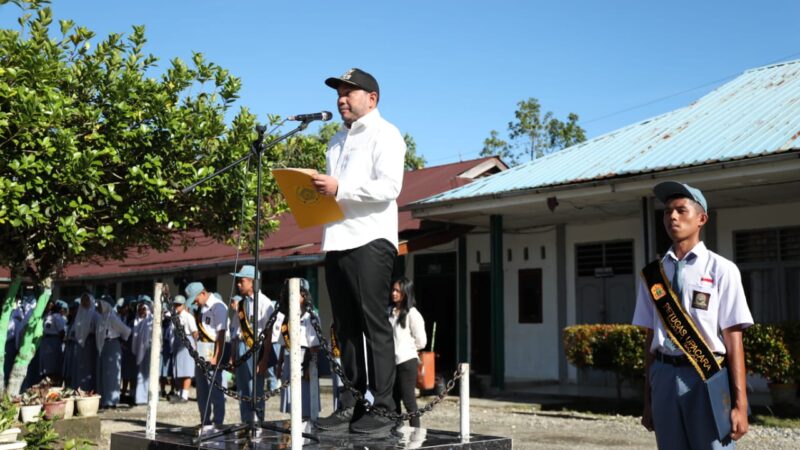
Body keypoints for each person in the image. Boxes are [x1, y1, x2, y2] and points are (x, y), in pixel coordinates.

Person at [312, 67, 406, 433]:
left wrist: (339, 188)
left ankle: (384, 407)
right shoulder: (335, 140)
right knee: (346, 327)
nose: (340, 98)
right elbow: (334, 193)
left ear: (372, 98)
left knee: (373, 324)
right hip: (337, 238)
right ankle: (351, 403)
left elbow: (389, 187)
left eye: (349, 92)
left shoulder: (387, 134)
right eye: (338, 92)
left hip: (370, 238)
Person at [632, 181, 753, 449]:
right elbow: (650, 336)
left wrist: (741, 405)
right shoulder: (653, 275)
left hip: (706, 376)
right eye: (667, 212)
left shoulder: (722, 269)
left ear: (701, 219)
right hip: (663, 375)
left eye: (681, 210)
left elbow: (734, 338)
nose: (672, 216)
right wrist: (648, 401)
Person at [228, 265, 277, 424]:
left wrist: (264, 360)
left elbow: (268, 334)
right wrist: (232, 355)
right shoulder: (241, 304)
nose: (238, 284)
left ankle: (258, 423)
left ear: (252, 282)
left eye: (242, 281)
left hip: (257, 349)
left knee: (255, 389)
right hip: (242, 348)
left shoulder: (265, 303)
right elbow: (236, 332)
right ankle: (246, 423)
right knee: (243, 390)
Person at [277, 278, 320, 420]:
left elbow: (314, 345)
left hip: (305, 358)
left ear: (304, 295)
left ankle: (307, 426)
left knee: (305, 398)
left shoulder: (310, 316)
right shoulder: (287, 316)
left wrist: (310, 367)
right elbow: (283, 344)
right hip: (289, 358)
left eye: (296, 293)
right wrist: (280, 363)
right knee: (291, 400)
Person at [186, 281, 227, 426]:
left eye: (195, 299)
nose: (195, 302)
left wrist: (216, 356)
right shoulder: (201, 308)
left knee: (215, 390)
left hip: (214, 348)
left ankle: (218, 422)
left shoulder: (218, 306)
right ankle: (204, 421)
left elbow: (221, 333)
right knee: (202, 390)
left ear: (202, 293)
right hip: (202, 349)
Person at [388, 277, 427, 427]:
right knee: (393, 399)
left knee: (409, 400)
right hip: (391, 362)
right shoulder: (389, 311)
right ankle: (396, 431)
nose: (394, 293)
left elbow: (421, 341)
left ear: (406, 292)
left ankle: (416, 433)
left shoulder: (412, 313)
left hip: (407, 361)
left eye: (398, 290)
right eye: (393, 290)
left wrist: (408, 348)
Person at [96, 294, 132, 409]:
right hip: (104, 346)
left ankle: (112, 401)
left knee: (112, 374)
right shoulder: (101, 317)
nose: (99, 307)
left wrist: (119, 340)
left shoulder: (112, 317)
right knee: (104, 374)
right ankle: (104, 400)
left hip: (112, 346)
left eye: (101, 305)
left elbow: (126, 330)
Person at [67, 293, 100, 391]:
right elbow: (75, 329)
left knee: (89, 368)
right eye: (83, 300)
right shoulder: (79, 314)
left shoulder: (95, 314)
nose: (85, 302)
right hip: (79, 345)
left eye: (87, 300)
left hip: (90, 344)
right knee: (80, 368)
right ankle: (79, 389)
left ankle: (89, 390)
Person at [170, 295, 197, 403]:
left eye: (179, 305)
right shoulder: (176, 317)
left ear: (184, 305)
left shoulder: (188, 317)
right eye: (175, 304)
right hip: (178, 340)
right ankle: (180, 393)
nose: (177, 307)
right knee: (179, 369)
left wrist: (195, 346)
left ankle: (185, 395)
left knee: (186, 370)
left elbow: (194, 332)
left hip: (187, 340)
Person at [39, 300, 68, 385]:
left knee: (51, 366)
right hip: (49, 341)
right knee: (49, 366)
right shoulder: (50, 316)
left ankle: (53, 383)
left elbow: (61, 331)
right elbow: (61, 331)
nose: (49, 306)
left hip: (50, 341)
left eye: (51, 305)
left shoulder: (53, 316)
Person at [131, 298, 153, 405]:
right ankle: (140, 398)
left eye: (143, 309)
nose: (141, 312)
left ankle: (147, 397)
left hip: (149, 350)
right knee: (140, 373)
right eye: (139, 310)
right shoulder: (137, 321)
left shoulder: (151, 320)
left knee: (147, 374)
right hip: (140, 351)